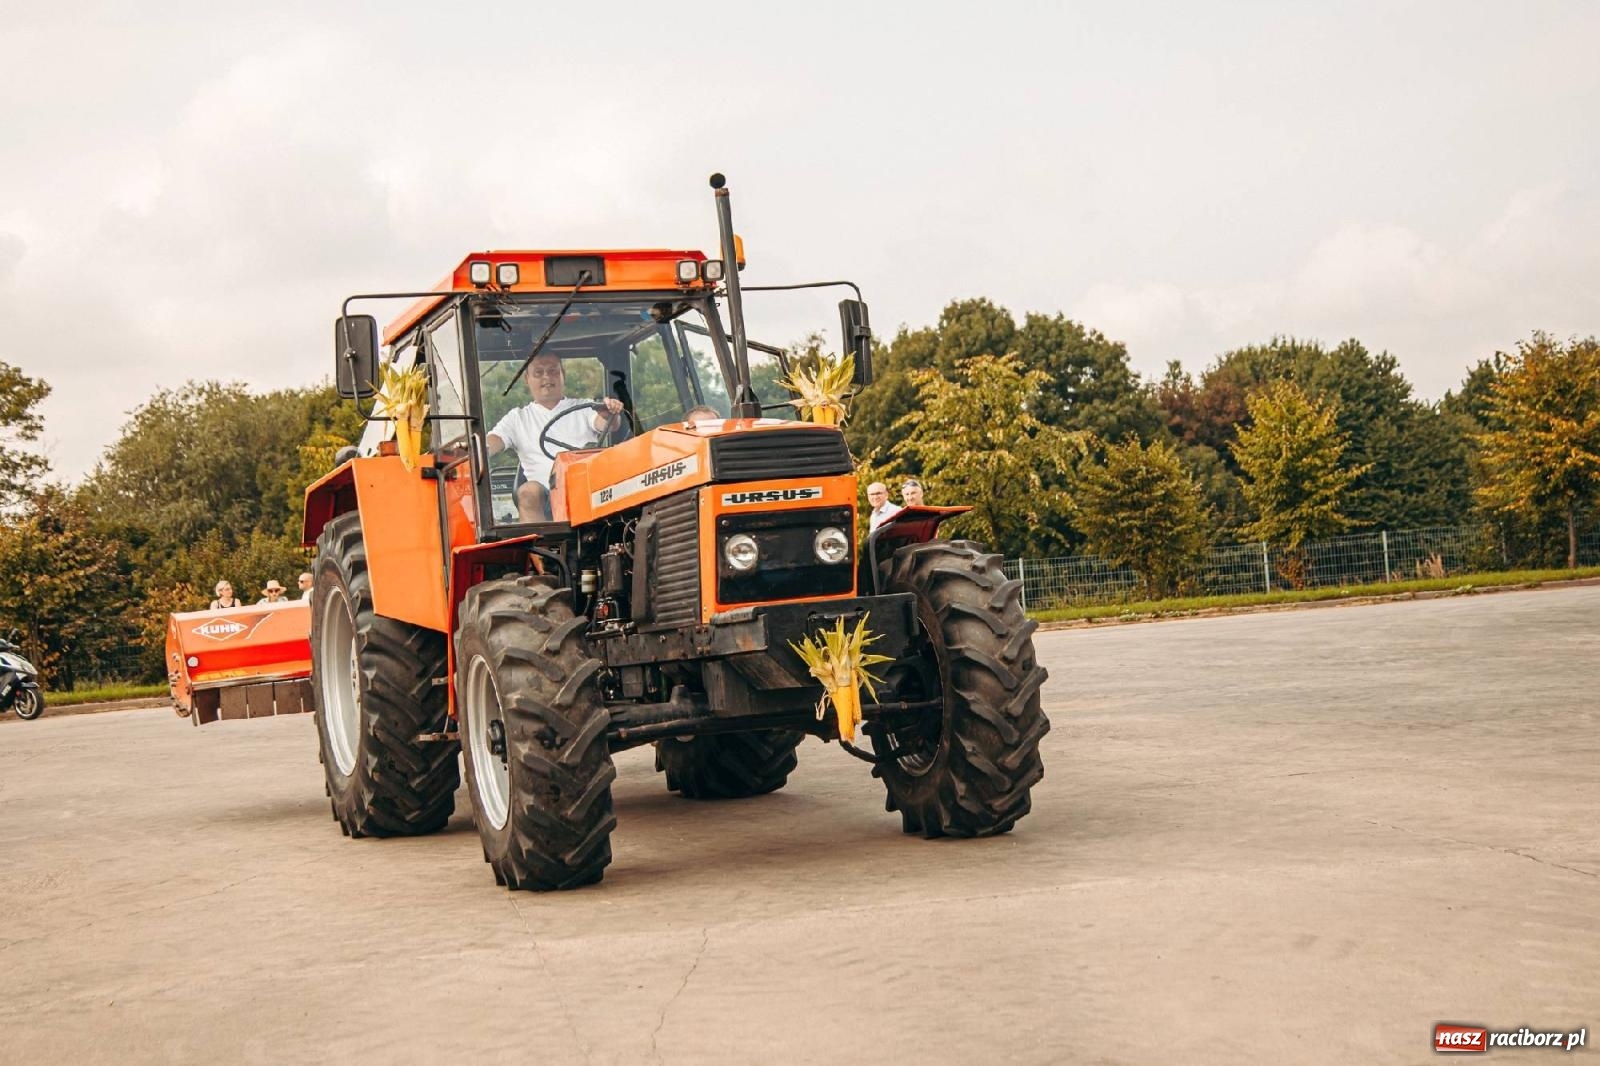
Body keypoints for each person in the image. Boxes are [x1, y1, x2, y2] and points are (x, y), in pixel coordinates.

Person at [487, 352, 624, 521]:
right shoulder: (517, 418)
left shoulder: (585, 407)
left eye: (552, 371)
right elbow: (493, 441)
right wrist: (475, 448)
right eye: (539, 372)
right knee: (528, 492)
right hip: (544, 497)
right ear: (527, 379)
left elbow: (608, 424)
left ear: (562, 374)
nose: (546, 377)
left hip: (585, 490)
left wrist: (609, 413)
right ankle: (537, 538)